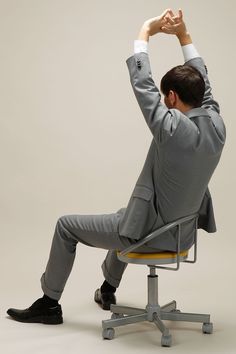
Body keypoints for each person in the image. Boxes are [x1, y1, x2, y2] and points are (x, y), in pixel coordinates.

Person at [7, 9, 225, 325]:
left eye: (166, 98)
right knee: (125, 215)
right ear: (200, 97)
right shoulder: (218, 126)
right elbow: (206, 87)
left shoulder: (171, 128)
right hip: (181, 235)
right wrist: (183, 36)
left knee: (67, 225)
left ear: (173, 97)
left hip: (149, 235)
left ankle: (49, 304)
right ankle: (107, 288)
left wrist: (145, 32)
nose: (163, 102)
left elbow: (143, 84)